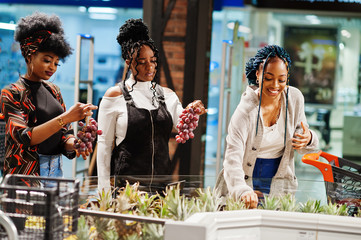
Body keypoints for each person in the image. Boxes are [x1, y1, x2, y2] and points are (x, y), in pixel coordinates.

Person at [97, 18, 206, 192]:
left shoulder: (167, 95)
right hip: (126, 190)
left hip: (161, 188)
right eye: (142, 61)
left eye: (153, 60)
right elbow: (103, 146)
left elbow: (184, 126)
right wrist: (103, 190)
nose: (150, 67)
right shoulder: (114, 96)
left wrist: (193, 111)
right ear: (128, 62)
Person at [0, 12, 97, 186]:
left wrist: (76, 143)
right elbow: (24, 137)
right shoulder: (11, 93)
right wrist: (67, 117)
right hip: (26, 173)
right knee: (27, 213)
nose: (52, 67)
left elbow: (64, 135)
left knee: (53, 214)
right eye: (47, 60)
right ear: (29, 55)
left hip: (55, 170)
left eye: (56, 63)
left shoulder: (54, 91)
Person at [216, 45, 319, 208]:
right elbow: (232, 159)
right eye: (268, 78)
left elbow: (304, 143)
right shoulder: (244, 112)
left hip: (279, 183)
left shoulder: (294, 98)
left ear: (287, 78)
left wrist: (309, 138)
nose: (275, 85)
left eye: (281, 79)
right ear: (258, 74)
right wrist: (242, 191)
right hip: (244, 179)